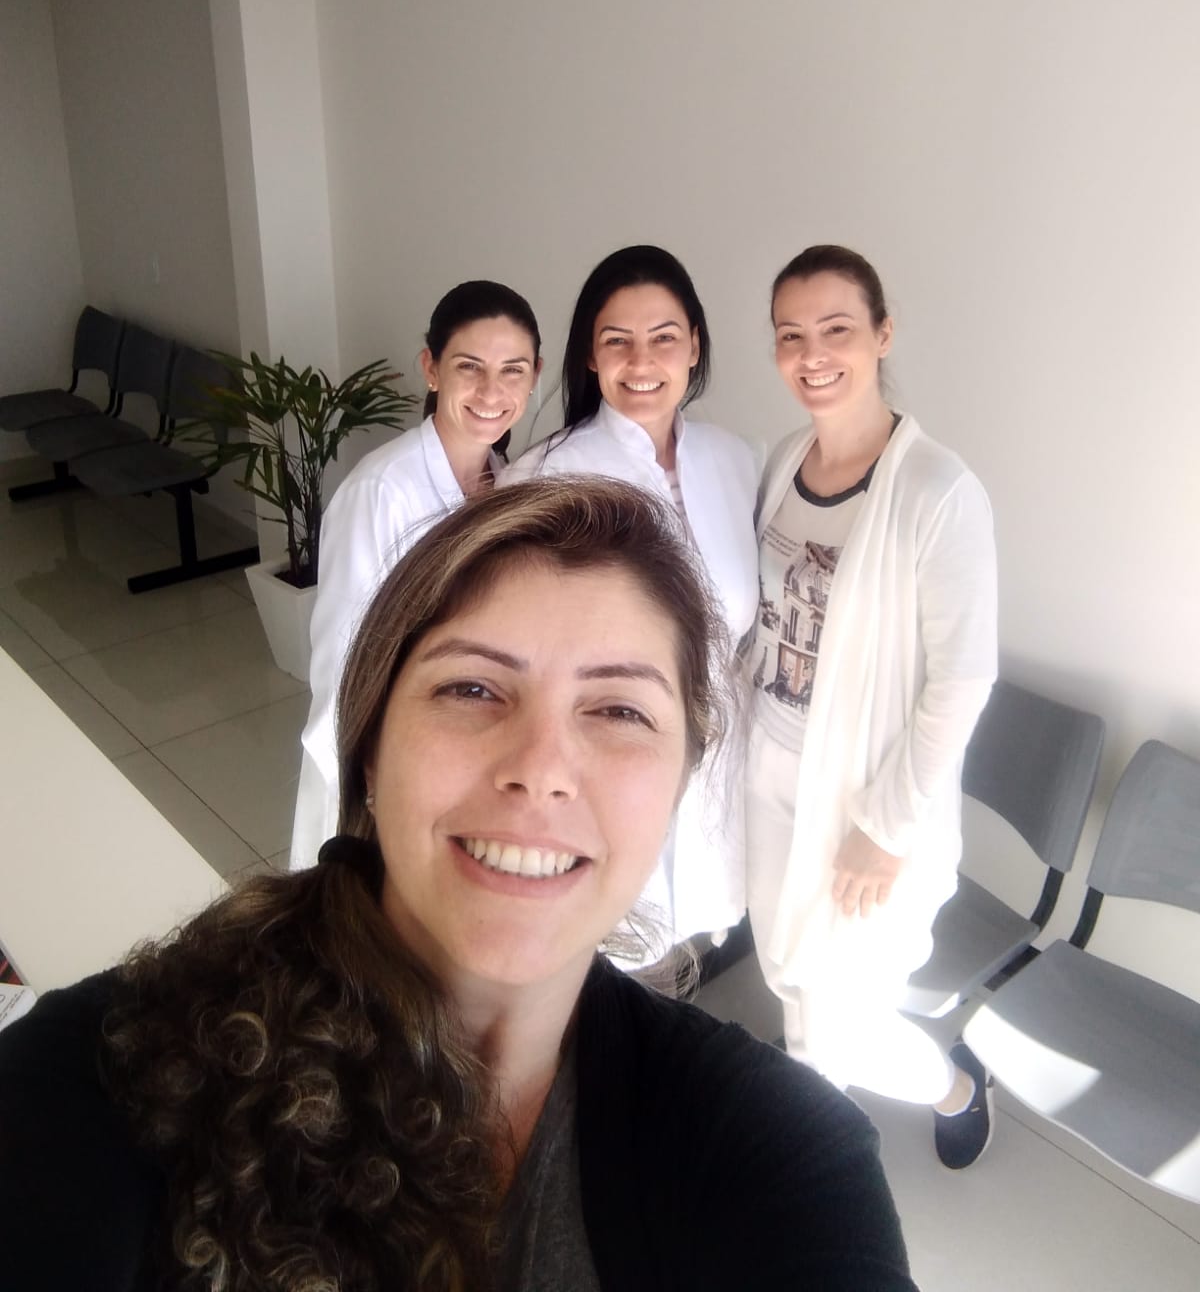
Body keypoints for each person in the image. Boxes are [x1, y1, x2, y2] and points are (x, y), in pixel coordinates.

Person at [0, 479, 916, 1291]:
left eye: (618, 709)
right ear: (370, 750)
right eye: (473, 689)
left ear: (679, 782)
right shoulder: (116, 1071)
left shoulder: (780, 1150)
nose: (541, 769)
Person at [746, 245, 999, 1170]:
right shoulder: (784, 462)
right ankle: (937, 1082)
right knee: (791, 976)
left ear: (882, 334)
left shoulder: (938, 491)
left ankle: (918, 1109)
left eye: (837, 329)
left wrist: (886, 829)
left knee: (836, 1021)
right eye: (791, 336)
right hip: (770, 778)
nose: (812, 355)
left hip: (868, 807)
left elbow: (962, 680)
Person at [501, 245, 758, 947]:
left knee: (691, 929)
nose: (641, 362)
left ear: (694, 347)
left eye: (664, 338)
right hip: (598, 752)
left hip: (717, 755)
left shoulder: (735, 460)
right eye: (617, 341)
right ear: (591, 355)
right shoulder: (549, 476)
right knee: (604, 940)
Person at [292, 279, 542, 868]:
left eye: (512, 370)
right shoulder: (382, 491)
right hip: (391, 761)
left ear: (534, 376)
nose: (491, 391)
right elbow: (343, 661)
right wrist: (372, 787)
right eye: (469, 367)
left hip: (473, 742)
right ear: (431, 369)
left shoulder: (513, 482)